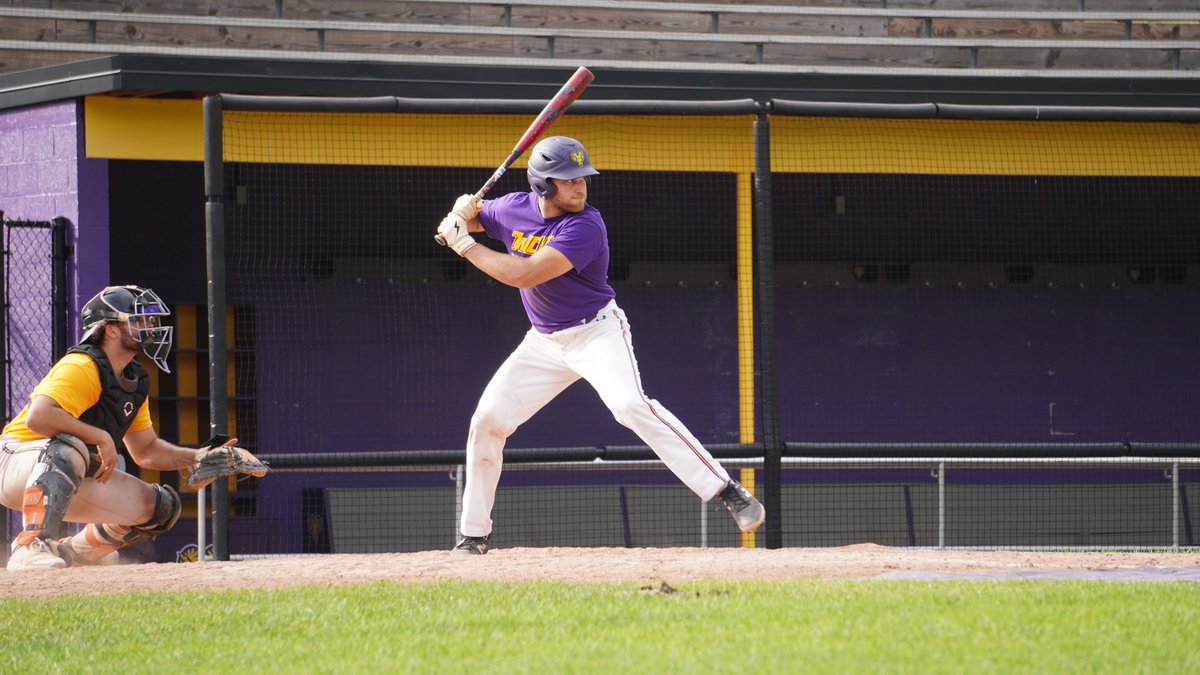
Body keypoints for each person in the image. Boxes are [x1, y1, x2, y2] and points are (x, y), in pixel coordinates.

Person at [436, 136, 765, 556]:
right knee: (487, 422)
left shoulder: (586, 225)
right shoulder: (513, 207)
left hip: (596, 333)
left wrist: (463, 242)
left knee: (629, 406)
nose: (580, 187)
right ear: (542, 186)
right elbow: (480, 219)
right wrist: (465, 213)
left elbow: (525, 274)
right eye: (568, 180)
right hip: (543, 343)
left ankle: (726, 489)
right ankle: (473, 535)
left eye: (582, 178)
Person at [3, 285, 210, 571]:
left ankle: (75, 553)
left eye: (150, 321)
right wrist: (99, 436)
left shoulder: (135, 379)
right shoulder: (82, 365)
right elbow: (38, 417)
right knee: (71, 447)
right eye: (139, 320)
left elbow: (146, 450)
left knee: (162, 507)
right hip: (14, 462)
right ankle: (30, 544)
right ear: (111, 330)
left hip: (66, 472)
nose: (150, 327)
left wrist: (195, 457)